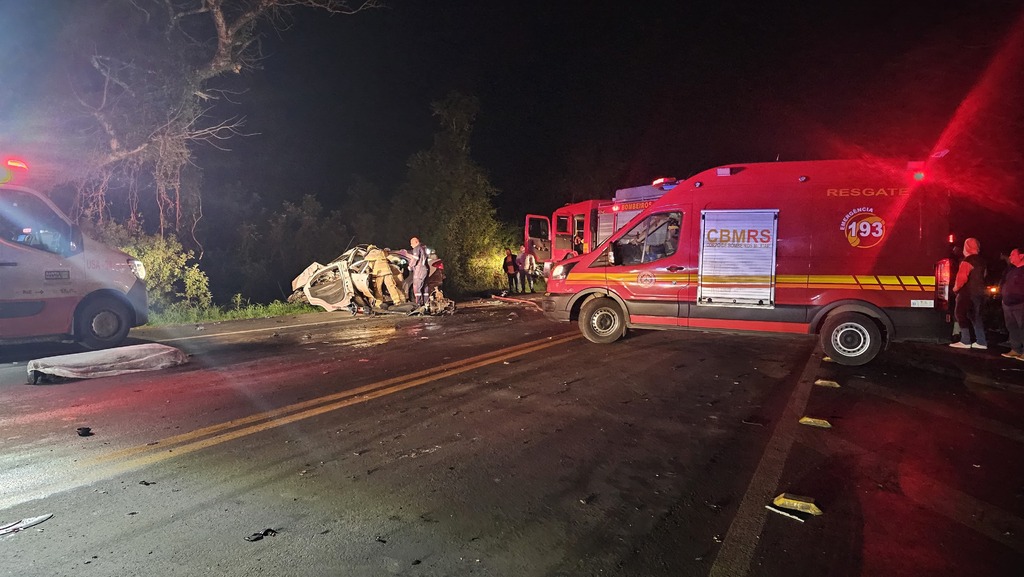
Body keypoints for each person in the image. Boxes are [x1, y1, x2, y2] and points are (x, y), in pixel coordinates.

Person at [950, 237, 988, 350]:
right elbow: (984, 276)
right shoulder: (982, 261)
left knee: (960, 314)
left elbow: (961, 278)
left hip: (967, 293)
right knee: (976, 317)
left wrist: (955, 289)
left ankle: (965, 341)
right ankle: (981, 342)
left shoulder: (967, 261)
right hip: (979, 293)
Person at [1000, 248, 1024, 360]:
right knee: (1012, 327)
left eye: (1012, 254)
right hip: (1008, 304)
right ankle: (1016, 349)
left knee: (1022, 327)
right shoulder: (1012, 270)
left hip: (1020, 304)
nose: (1010, 257)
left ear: (1021, 255)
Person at [409, 237, 430, 307]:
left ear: (416, 242)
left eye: (411, 243)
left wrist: (410, 266)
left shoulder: (416, 248)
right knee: (425, 287)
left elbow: (415, 259)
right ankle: (426, 304)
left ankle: (418, 305)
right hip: (426, 269)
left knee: (417, 287)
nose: (411, 245)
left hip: (419, 270)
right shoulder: (423, 248)